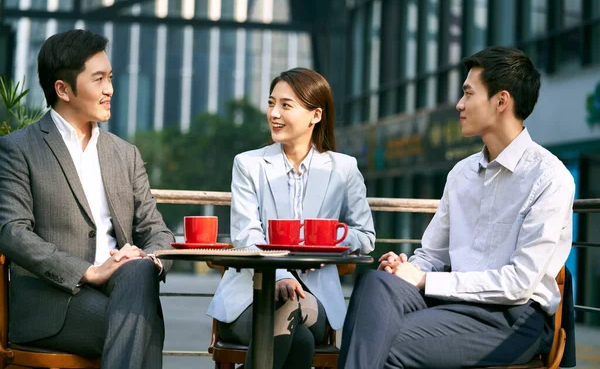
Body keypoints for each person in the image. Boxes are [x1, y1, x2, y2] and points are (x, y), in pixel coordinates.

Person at [339, 46, 575, 369]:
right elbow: (432, 254)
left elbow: (518, 284)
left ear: (501, 101)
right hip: (450, 301)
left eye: (468, 93)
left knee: (382, 341)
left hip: (511, 318)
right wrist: (406, 269)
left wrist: (424, 281)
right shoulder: (461, 174)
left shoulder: (549, 178)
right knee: (375, 284)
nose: (459, 104)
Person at [0, 29, 175, 369]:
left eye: (109, 78)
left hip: (125, 289)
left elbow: (158, 231)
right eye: (98, 80)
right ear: (62, 89)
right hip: (54, 303)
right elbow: (12, 232)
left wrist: (148, 258)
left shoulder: (125, 154)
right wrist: (88, 272)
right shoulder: (20, 149)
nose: (110, 89)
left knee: (139, 273)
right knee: (142, 324)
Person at [207, 67, 375, 369]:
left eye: (286, 105)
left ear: (316, 115)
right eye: (272, 103)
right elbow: (246, 234)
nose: (274, 113)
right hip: (251, 297)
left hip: (316, 296)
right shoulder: (248, 165)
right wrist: (281, 275)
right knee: (300, 341)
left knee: (299, 310)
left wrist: (329, 240)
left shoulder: (343, 169)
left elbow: (365, 237)